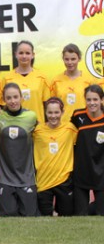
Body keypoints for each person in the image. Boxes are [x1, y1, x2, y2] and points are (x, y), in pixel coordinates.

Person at [0, 82, 39, 217]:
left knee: (29, 215)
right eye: (9, 98)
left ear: (21, 98)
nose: (12, 101)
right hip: (4, 176)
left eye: (15, 97)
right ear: (3, 100)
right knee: (8, 213)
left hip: (26, 176)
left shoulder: (31, 117)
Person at [33, 97, 77, 216]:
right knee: (45, 215)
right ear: (45, 113)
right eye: (50, 112)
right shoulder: (37, 131)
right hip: (44, 180)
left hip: (63, 179)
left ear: (62, 112)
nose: (53, 116)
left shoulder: (70, 129)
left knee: (67, 214)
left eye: (56, 112)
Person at [71, 85, 104, 215]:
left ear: (101, 100)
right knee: (80, 215)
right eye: (88, 100)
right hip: (81, 172)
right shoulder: (77, 116)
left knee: (101, 214)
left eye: (95, 99)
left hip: (101, 173)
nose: (92, 103)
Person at [1, 40, 51, 123]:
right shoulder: (7, 78)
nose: (24, 56)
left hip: (37, 124)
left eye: (27, 53)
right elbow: (3, 106)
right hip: (15, 124)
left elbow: (47, 105)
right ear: (15, 54)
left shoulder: (42, 77)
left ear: (33, 55)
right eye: (21, 53)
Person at [50, 44, 94, 123]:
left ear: (79, 59)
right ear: (63, 59)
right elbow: (51, 106)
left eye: (73, 59)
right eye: (67, 59)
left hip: (84, 123)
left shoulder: (89, 80)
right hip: (63, 124)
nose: (70, 62)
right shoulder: (56, 81)